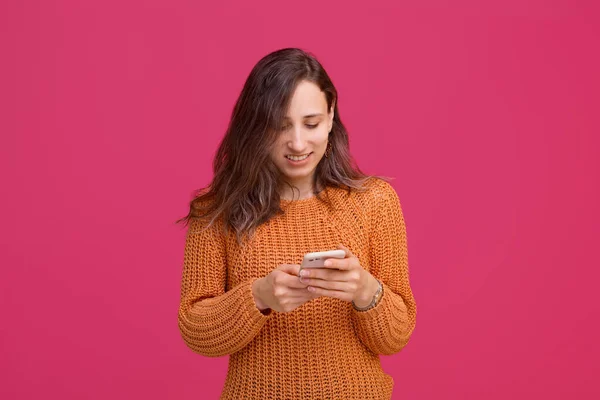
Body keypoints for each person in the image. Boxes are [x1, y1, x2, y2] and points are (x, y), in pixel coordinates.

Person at [176, 47, 417, 400]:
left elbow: (395, 337)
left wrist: (364, 290)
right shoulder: (216, 209)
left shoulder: (374, 201)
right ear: (256, 125)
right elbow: (196, 330)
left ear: (332, 114)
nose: (298, 143)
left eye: (311, 123)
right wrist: (259, 296)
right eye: (280, 126)